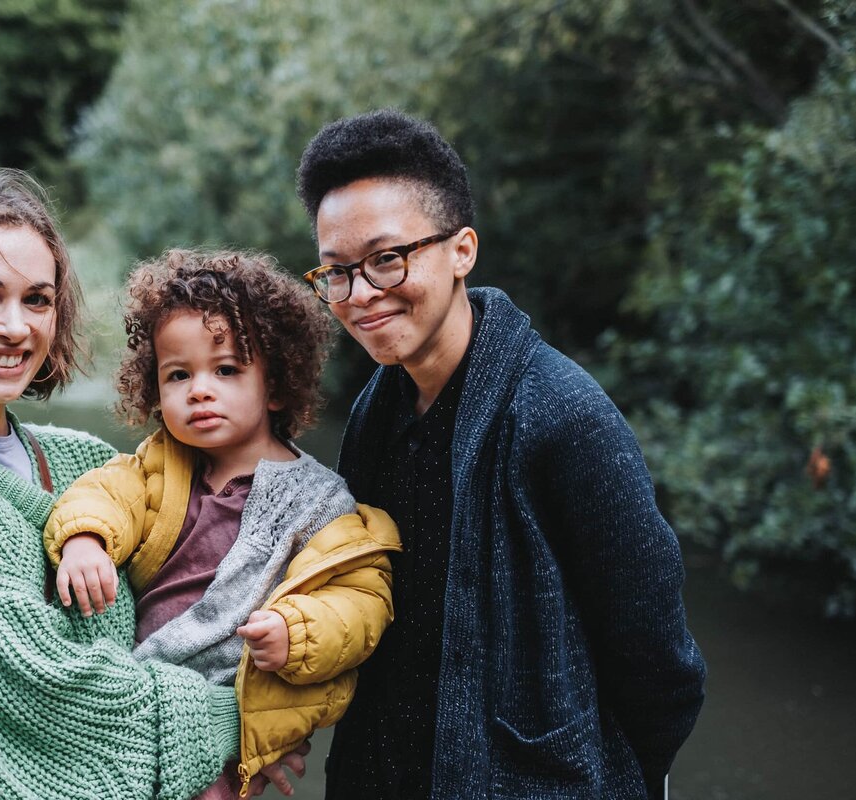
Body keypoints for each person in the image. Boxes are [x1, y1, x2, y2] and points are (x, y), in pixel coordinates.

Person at [0, 171, 300, 799]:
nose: (16, 327)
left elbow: (187, 622)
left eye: (38, 299)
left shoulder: (91, 466)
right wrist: (237, 722)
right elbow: (32, 699)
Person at [295, 109, 707, 800]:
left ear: (462, 250)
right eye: (337, 272)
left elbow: (658, 664)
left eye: (387, 259)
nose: (360, 295)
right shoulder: (375, 413)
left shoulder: (564, 416)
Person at [42, 249, 401, 799]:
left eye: (226, 370)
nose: (199, 390)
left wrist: (297, 633)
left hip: (234, 708)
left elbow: (359, 599)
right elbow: (104, 492)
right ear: (155, 391)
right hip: (144, 693)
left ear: (276, 385)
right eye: (178, 374)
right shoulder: (158, 466)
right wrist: (86, 538)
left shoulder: (321, 502)